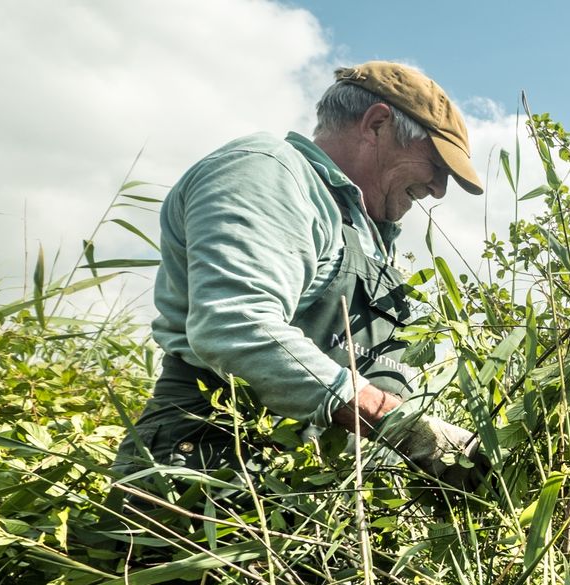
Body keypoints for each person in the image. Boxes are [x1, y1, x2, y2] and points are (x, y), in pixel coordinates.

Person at [112, 61, 490, 518]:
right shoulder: (270, 175)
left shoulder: (366, 229)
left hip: (310, 489)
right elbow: (236, 324)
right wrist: (396, 423)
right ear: (376, 124)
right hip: (218, 471)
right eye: (436, 164)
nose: (439, 189)